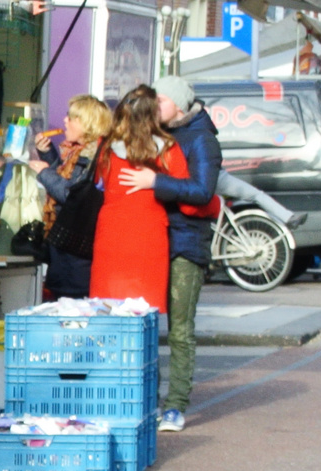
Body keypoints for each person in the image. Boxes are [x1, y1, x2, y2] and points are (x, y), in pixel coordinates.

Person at [122, 75, 219, 433]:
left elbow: (203, 191)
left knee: (179, 329)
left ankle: (175, 405)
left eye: (160, 100)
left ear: (177, 104)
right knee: (147, 327)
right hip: (154, 240)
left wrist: (155, 183)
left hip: (185, 243)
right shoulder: (157, 135)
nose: (153, 107)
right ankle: (148, 402)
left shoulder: (201, 139)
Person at [89, 85, 191, 314]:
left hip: (110, 236)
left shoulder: (105, 147)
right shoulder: (168, 150)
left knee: (108, 310)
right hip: (149, 238)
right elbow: (187, 198)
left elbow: (100, 181)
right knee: (144, 314)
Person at [24, 95, 114, 300]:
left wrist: (44, 172)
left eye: (71, 117)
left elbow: (70, 194)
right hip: (69, 249)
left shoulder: (89, 157)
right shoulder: (80, 152)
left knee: (67, 301)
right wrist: (48, 154)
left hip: (74, 250)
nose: (65, 121)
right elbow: (67, 179)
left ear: (87, 123)